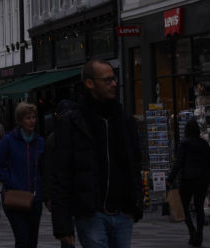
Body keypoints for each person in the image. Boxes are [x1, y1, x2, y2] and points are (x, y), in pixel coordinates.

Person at [51, 60, 143, 248]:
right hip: (90, 212)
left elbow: (134, 164)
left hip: (123, 211)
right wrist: (63, 226)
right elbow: (61, 175)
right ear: (90, 83)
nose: (114, 84)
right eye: (107, 80)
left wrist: (135, 205)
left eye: (114, 79)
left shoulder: (124, 119)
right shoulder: (73, 122)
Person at [0, 102, 45, 248]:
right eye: (28, 118)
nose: (32, 121)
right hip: (14, 196)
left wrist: (42, 190)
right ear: (20, 120)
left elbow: (44, 168)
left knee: (32, 240)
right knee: (22, 238)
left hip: (35, 198)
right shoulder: (9, 141)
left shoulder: (40, 142)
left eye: (34, 117)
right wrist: (10, 182)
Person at [167, 118, 210, 247]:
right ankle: (200, 233)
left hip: (187, 179)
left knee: (184, 206)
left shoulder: (184, 143)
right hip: (202, 179)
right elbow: (209, 163)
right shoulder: (204, 144)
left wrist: (170, 178)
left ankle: (192, 231)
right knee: (199, 208)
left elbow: (179, 163)